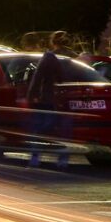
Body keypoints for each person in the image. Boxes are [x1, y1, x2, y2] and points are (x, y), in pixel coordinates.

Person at [25, 32, 74, 168]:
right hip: (67, 100)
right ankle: (63, 159)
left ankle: (35, 157)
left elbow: (38, 77)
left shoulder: (49, 57)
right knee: (65, 131)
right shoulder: (74, 58)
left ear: (53, 42)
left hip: (48, 98)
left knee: (39, 128)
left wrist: (31, 95)